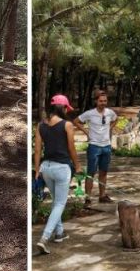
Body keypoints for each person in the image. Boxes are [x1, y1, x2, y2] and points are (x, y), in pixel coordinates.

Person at [34, 94, 80, 255]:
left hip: (46, 168)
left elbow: (38, 150)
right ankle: (44, 238)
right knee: (60, 203)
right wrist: (78, 166)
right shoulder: (67, 125)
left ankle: (59, 233)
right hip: (61, 168)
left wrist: (36, 170)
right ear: (64, 108)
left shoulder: (40, 125)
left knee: (56, 202)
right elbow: (72, 148)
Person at [73, 91, 117, 204]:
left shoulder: (110, 112)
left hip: (106, 146)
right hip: (94, 146)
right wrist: (86, 132)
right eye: (101, 101)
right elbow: (76, 121)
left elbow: (116, 119)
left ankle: (102, 196)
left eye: (105, 101)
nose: (103, 103)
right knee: (91, 173)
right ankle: (88, 198)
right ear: (96, 101)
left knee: (104, 172)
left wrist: (110, 128)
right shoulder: (89, 113)